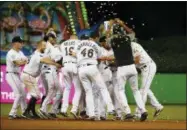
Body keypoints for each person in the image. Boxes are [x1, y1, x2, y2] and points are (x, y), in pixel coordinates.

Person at [107, 22, 148, 121]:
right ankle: (143, 110)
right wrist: (123, 24)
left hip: (122, 68)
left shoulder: (112, 40)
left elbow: (107, 37)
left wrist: (109, 26)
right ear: (122, 31)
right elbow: (132, 33)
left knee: (120, 90)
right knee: (136, 91)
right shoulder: (127, 38)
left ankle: (128, 113)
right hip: (132, 67)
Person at [74, 34, 115, 120]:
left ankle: (91, 114)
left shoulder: (77, 45)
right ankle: (111, 108)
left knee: (88, 92)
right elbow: (99, 57)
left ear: (81, 39)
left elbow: (74, 54)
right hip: (92, 67)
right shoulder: (94, 44)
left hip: (81, 69)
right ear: (89, 38)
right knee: (103, 88)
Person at [21, 40, 61, 119]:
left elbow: (46, 58)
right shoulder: (37, 54)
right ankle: (26, 112)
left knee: (36, 95)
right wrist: (55, 63)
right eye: (43, 45)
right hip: (29, 75)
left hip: (29, 75)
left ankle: (32, 112)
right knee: (36, 95)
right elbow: (44, 60)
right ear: (39, 46)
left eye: (45, 45)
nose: (45, 47)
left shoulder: (38, 54)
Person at [131, 41, 164, 118]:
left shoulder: (134, 46)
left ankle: (139, 112)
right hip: (144, 68)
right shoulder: (128, 47)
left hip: (148, 67)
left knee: (143, 90)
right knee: (145, 89)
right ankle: (158, 106)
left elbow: (137, 60)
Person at [38, 29, 62, 118]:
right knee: (53, 91)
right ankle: (43, 109)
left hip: (47, 71)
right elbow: (44, 59)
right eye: (53, 37)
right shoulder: (48, 45)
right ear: (50, 38)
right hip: (50, 70)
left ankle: (52, 110)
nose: (54, 39)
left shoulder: (50, 46)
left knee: (57, 91)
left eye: (54, 37)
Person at [60, 35, 82, 118]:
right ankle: (74, 110)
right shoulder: (79, 42)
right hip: (74, 65)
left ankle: (63, 109)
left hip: (65, 66)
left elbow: (60, 56)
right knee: (78, 89)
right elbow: (80, 54)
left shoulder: (63, 44)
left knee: (67, 88)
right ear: (76, 38)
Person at [6, 36, 28, 119]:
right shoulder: (11, 53)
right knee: (18, 94)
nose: (22, 43)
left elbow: (26, 60)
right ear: (15, 43)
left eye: (22, 42)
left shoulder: (20, 52)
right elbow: (18, 63)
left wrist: (25, 61)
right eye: (20, 42)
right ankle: (12, 113)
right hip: (11, 74)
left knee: (23, 94)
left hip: (17, 75)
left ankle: (24, 112)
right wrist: (24, 61)